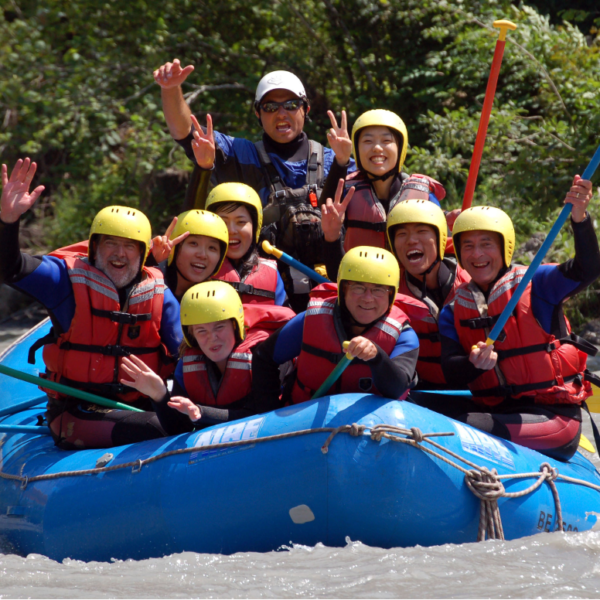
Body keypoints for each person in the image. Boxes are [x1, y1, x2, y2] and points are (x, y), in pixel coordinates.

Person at [0, 159, 183, 449]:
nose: (119, 254)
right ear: (94, 247)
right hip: (77, 411)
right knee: (158, 427)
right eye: (110, 242)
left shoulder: (159, 293)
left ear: (142, 254)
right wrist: (8, 222)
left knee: (181, 420)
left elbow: (185, 357)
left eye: (130, 246)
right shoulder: (64, 281)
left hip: (141, 403)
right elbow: (9, 268)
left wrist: (174, 395)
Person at [153, 61, 351, 306]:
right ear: (258, 113)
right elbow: (187, 134)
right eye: (270, 107)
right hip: (263, 292)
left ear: (305, 108)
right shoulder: (241, 154)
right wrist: (171, 89)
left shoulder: (336, 159)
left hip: (329, 288)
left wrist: (344, 161)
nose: (281, 114)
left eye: (291, 105)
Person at [438, 177, 600, 460]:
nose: (477, 254)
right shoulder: (453, 309)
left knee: (459, 428)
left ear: (505, 247)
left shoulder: (537, 283)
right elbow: (452, 371)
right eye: (468, 246)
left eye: (486, 244)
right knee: (417, 405)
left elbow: (588, 269)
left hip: (552, 418)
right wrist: (474, 365)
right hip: (498, 409)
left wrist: (580, 217)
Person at [119, 281, 295, 434]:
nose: (212, 338)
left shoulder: (263, 358)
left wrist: (201, 412)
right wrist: (159, 395)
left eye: (219, 327)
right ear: (192, 335)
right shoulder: (186, 366)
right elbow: (179, 429)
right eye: (201, 331)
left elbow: (260, 416)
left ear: (235, 325)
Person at [252, 246, 419, 405]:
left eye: (379, 290)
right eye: (358, 287)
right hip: (306, 421)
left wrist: (376, 357)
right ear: (343, 289)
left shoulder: (404, 335)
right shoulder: (311, 320)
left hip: (370, 427)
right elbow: (263, 357)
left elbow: (398, 389)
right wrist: (269, 411)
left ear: (392, 294)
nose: (368, 298)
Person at [318, 109, 451, 272]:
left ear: (400, 148)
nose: (377, 148)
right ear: (357, 150)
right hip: (363, 289)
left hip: (411, 291)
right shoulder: (347, 193)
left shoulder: (423, 195)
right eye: (367, 141)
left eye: (386, 141)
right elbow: (335, 272)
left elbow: (443, 255)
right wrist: (341, 159)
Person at [386, 199, 470, 388]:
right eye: (401, 234)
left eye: (422, 231)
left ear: (440, 238)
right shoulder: (388, 290)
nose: (411, 240)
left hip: (474, 390)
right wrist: (332, 239)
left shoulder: (473, 278)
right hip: (420, 392)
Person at [205, 182, 286, 305]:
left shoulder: (271, 273)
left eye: (241, 222)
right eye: (223, 222)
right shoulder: (199, 267)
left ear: (255, 228)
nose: (231, 230)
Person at [150, 209, 230, 301]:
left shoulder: (217, 300)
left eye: (212, 248)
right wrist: (150, 261)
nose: (202, 255)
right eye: (193, 243)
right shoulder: (149, 281)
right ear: (175, 247)